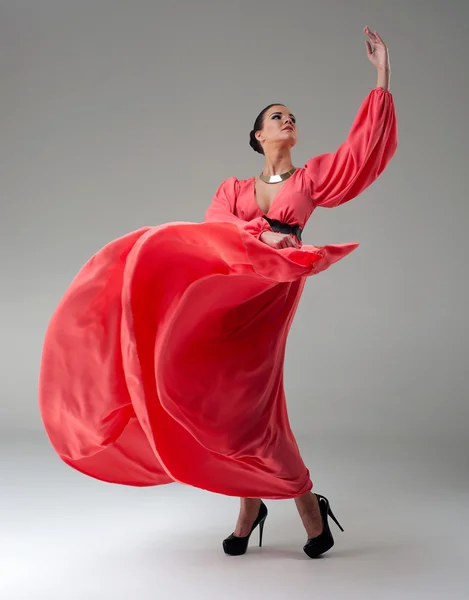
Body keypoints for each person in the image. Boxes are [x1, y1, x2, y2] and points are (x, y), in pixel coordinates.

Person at [38, 26, 397, 559]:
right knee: (217, 400)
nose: (288, 120)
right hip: (226, 298)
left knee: (255, 403)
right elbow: (217, 233)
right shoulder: (232, 190)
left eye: (291, 116)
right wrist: (257, 234)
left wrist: (382, 74)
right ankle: (253, 504)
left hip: (270, 294)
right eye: (277, 116)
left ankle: (300, 505)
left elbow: (362, 153)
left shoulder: (311, 178)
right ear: (258, 136)